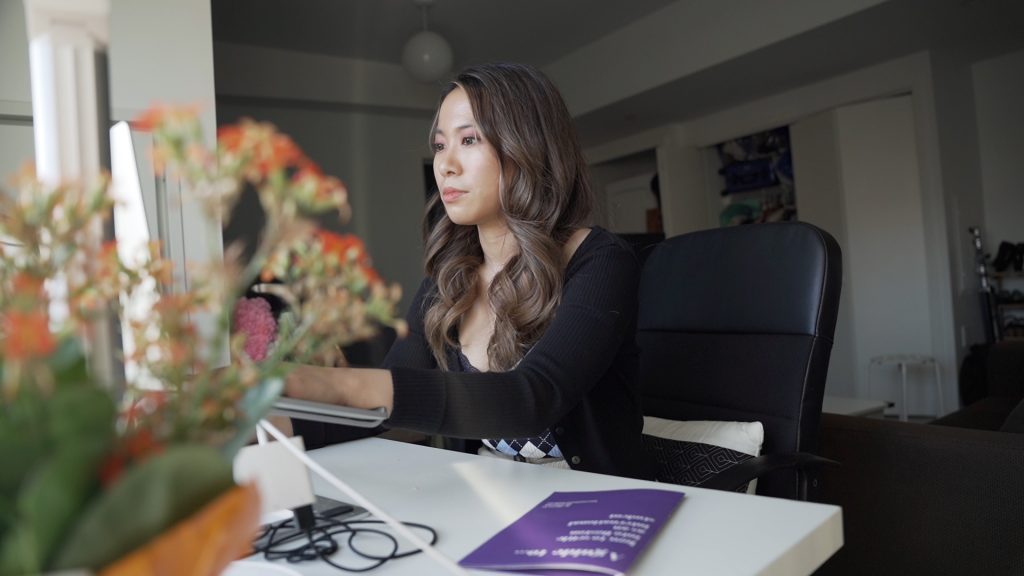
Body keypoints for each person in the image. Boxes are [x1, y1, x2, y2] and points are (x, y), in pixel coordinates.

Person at [284, 62, 652, 480]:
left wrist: (330, 384)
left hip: (603, 505)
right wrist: (257, 422)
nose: (445, 165)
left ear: (528, 146)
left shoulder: (600, 260)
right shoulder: (448, 278)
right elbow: (385, 405)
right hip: (491, 502)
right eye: (440, 145)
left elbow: (531, 399)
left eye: (470, 139)